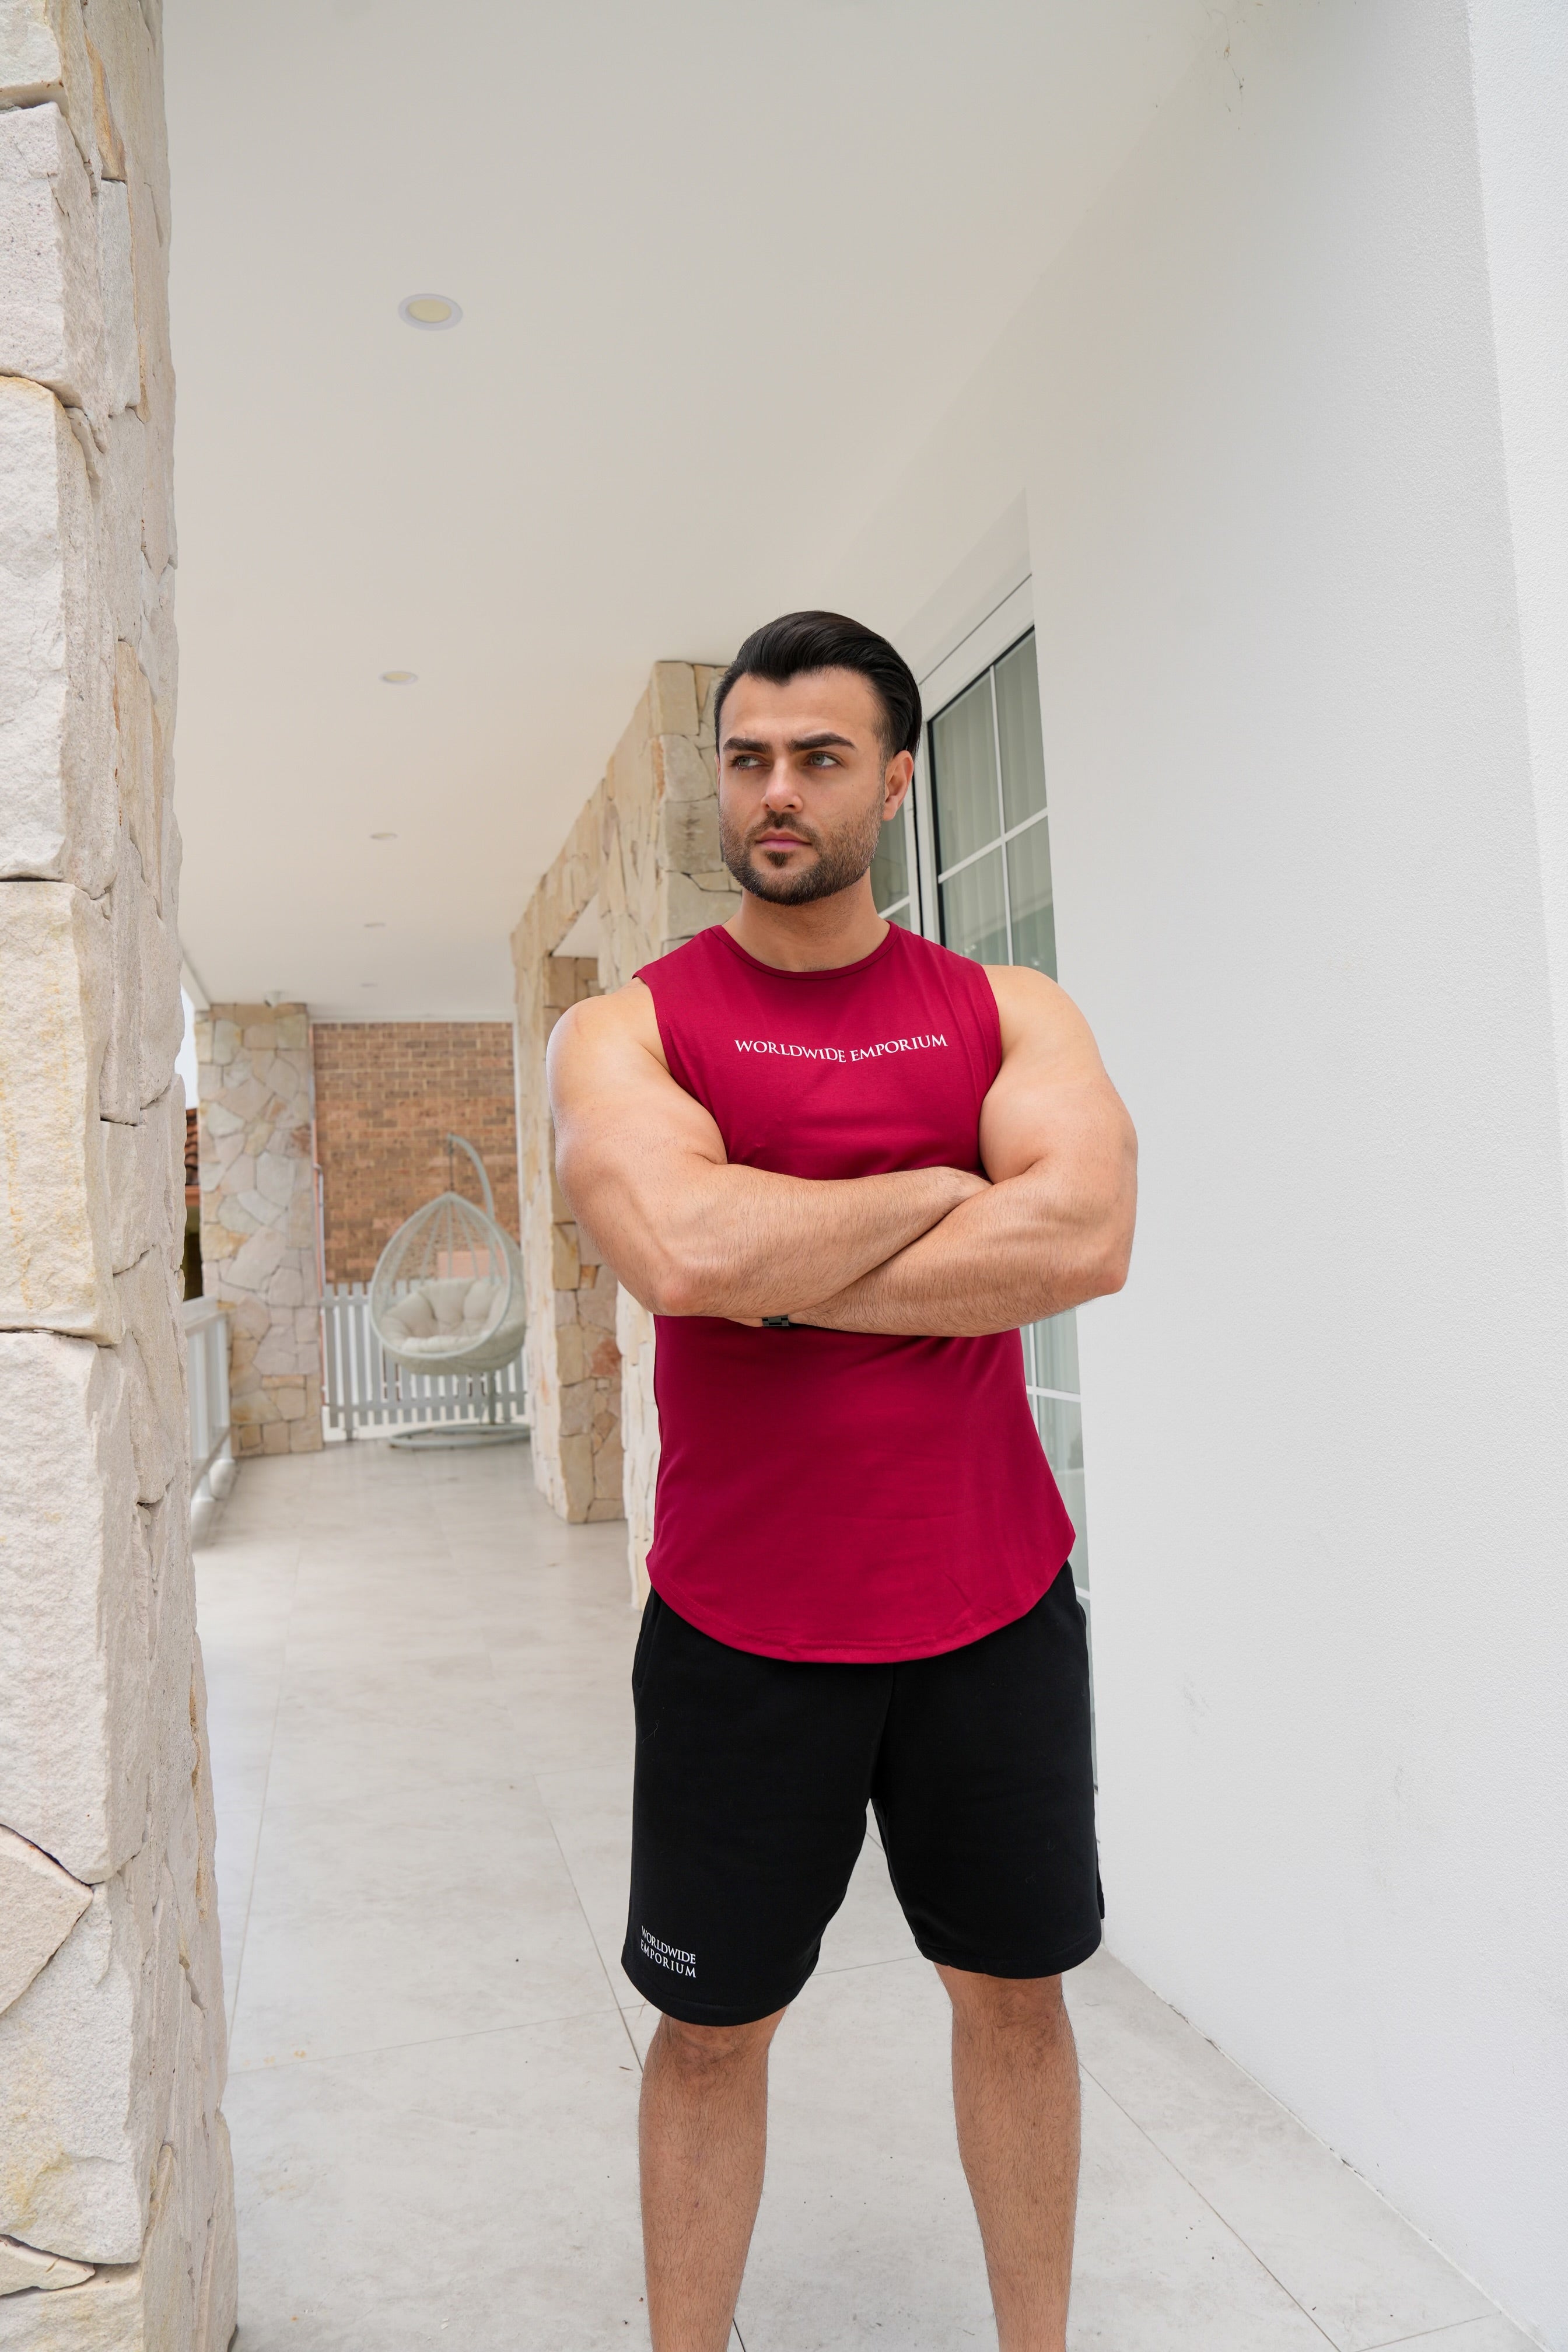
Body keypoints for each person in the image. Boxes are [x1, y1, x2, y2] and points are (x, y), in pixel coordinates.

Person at [548, 611, 1138, 2352]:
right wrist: (949, 1190)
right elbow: (674, 1238)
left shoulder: (1005, 1006)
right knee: (713, 2030)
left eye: (816, 756)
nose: (776, 790)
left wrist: (772, 1255)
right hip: (742, 1629)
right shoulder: (628, 1030)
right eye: (746, 757)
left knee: (1017, 2000)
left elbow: (1088, 1232)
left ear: (893, 777)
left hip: (994, 1609)